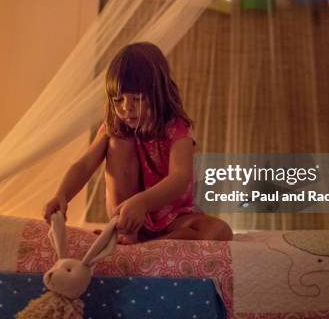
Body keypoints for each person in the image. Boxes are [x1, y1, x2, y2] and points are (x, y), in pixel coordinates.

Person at [43, 42, 233, 243]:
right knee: (117, 139)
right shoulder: (115, 126)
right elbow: (84, 165)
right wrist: (62, 195)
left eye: (137, 98)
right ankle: (128, 232)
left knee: (220, 231)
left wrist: (143, 202)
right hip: (129, 217)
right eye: (119, 100)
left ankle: (149, 244)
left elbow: (180, 177)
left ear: (157, 92)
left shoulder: (177, 128)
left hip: (173, 218)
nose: (127, 108)